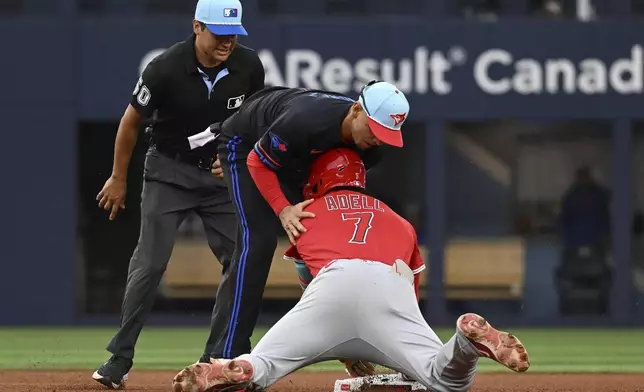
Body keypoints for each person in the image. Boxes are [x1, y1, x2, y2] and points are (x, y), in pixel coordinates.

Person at [171, 148, 531, 392]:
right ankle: (464, 343)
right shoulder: (399, 220)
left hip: (331, 284)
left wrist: (339, 337)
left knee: (264, 365)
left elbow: (306, 279)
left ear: (318, 177)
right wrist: (399, 348)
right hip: (391, 285)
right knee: (444, 378)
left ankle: (237, 369)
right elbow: (411, 293)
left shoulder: (306, 210)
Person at [92, 0, 265, 388]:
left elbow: (255, 119)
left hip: (219, 180)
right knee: (150, 264)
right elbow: (130, 123)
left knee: (240, 259)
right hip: (168, 172)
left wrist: (239, 158)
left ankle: (217, 358)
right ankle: (118, 360)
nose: (227, 42)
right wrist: (119, 178)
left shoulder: (248, 65)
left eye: (233, 34)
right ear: (197, 27)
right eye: (219, 33)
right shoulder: (165, 68)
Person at [195, 80, 409, 362]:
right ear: (356, 110)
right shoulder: (308, 120)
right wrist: (284, 209)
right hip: (246, 146)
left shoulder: (370, 147)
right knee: (258, 241)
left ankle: (351, 345)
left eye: (386, 133)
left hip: (294, 159)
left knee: (320, 236)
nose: (378, 139)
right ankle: (227, 354)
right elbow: (260, 163)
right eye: (374, 129)